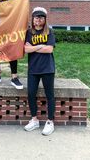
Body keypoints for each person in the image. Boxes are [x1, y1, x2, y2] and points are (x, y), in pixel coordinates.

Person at [24, 7, 56, 136]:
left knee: (50, 95)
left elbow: (49, 50)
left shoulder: (49, 32)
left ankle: (50, 121)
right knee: (31, 94)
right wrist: (40, 46)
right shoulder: (29, 32)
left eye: (41, 17)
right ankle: (34, 120)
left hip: (47, 68)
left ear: (45, 19)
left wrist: (33, 48)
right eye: (36, 17)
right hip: (33, 69)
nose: (38, 19)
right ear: (33, 18)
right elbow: (26, 49)